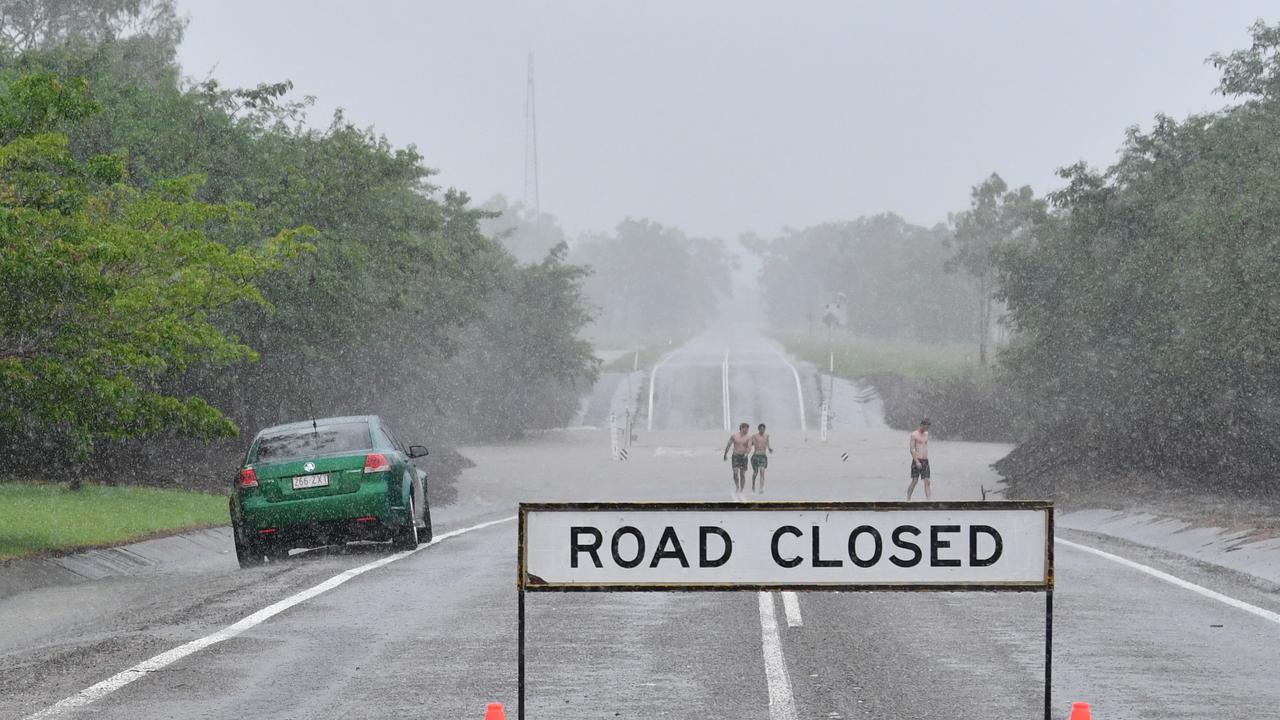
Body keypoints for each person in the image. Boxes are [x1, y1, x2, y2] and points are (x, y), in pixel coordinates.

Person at [723, 422, 751, 495]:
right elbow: (728, 445)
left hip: (744, 457)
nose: (747, 431)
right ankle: (737, 487)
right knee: (735, 473)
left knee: (742, 474)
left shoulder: (748, 437)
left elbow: (749, 447)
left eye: (748, 429)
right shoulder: (734, 436)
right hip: (735, 456)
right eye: (746, 429)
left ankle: (742, 489)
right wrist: (725, 454)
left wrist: (747, 454)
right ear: (741, 428)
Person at [908, 417, 931, 501]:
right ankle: (908, 499)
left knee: (927, 481)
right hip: (917, 460)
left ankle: (929, 500)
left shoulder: (926, 434)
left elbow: (924, 446)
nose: (927, 429)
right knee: (914, 481)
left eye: (928, 427)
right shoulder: (914, 434)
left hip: (925, 461)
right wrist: (917, 461)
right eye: (926, 427)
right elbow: (912, 449)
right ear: (921, 425)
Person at [750, 423, 772, 494]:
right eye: (761, 429)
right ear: (759, 429)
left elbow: (767, 443)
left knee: (762, 472)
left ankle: (761, 488)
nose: (762, 430)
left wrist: (769, 448)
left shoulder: (767, 436)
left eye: (763, 429)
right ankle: (753, 484)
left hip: (763, 456)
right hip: (756, 456)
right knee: (755, 473)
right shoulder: (754, 436)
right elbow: (750, 444)